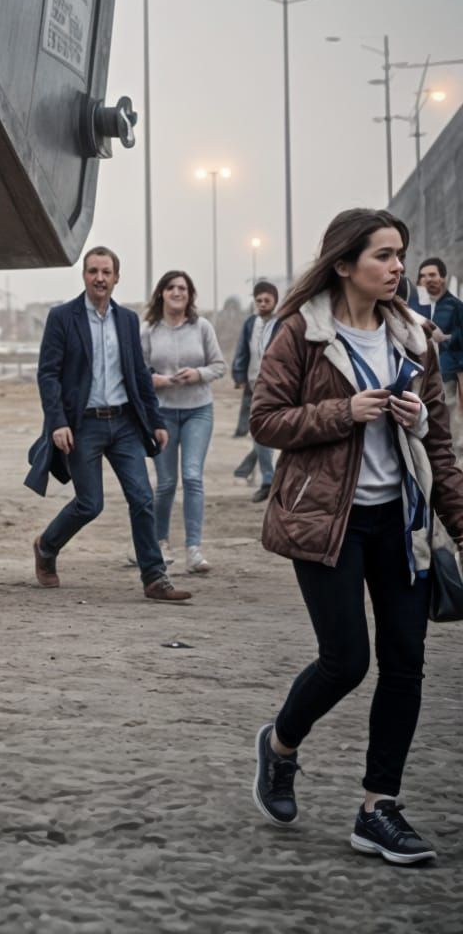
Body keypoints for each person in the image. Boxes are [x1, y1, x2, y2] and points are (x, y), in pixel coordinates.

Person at [250, 208, 463, 866]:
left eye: (401, 254)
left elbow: (440, 445)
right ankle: (280, 747)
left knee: (405, 662)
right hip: (326, 521)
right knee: (346, 661)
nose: (398, 266)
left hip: (402, 523)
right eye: (383, 255)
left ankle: (378, 808)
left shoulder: (415, 338)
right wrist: (345, 411)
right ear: (345, 263)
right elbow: (266, 420)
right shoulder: (301, 332)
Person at [29, 246, 192, 601]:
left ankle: (154, 577)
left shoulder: (128, 321)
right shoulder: (63, 317)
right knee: (90, 504)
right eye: (93, 271)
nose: (99, 278)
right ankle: (46, 546)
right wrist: (57, 422)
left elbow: (137, 374)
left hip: (124, 425)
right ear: (84, 276)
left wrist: (155, 420)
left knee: (142, 497)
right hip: (82, 426)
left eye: (106, 272)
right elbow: (48, 375)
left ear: (116, 277)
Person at [141, 270, 227, 574]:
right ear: (162, 293)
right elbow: (137, 373)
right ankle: (161, 543)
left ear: (190, 296)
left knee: (192, 477)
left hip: (198, 410)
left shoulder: (201, 327)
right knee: (165, 483)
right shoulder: (149, 330)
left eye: (183, 288)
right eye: (172, 287)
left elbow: (219, 366)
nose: (178, 292)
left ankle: (194, 549)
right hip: (162, 413)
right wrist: (157, 380)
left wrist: (198, 374)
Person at [231, 282, 281, 501]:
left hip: (277, 387)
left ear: (275, 301)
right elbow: (242, 350)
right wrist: (239, 376)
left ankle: (245, 470)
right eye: (258, 300)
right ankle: (267, 480)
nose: (262, 304)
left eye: (266, 300)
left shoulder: (283, 324)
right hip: (254, 386)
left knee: (266, 434)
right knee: (261, 433)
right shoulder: (250, 323)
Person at [409, 257, 462, 442]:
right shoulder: (412, 305)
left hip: (446, 373)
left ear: (443, 278)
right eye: (422, 276)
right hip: (417, 372)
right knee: (419, 413)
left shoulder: (455, 306)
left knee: (446, 413)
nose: (427, 279)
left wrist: (445, 340)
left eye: (432, 275)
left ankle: (452, 452)